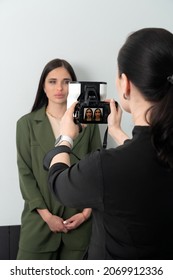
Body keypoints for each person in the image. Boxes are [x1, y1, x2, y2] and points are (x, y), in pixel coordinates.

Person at [44, 28, 173, 260]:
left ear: (125, 84)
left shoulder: (107, 167)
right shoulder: (157, 152)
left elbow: (58, 184)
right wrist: (115, 130)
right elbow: (145, 156)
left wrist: (65, 138)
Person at [16, 58, 102, 260]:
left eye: (67, 82)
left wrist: (86, 213)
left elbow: (98, 168)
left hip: (79, 222)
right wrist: (47, 216)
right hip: (38, 223)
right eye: (52, 81)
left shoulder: (89, 122)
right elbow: (25, 174)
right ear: (43, 87)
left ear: (75, 87)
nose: (60, 88)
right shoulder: (26, 124)